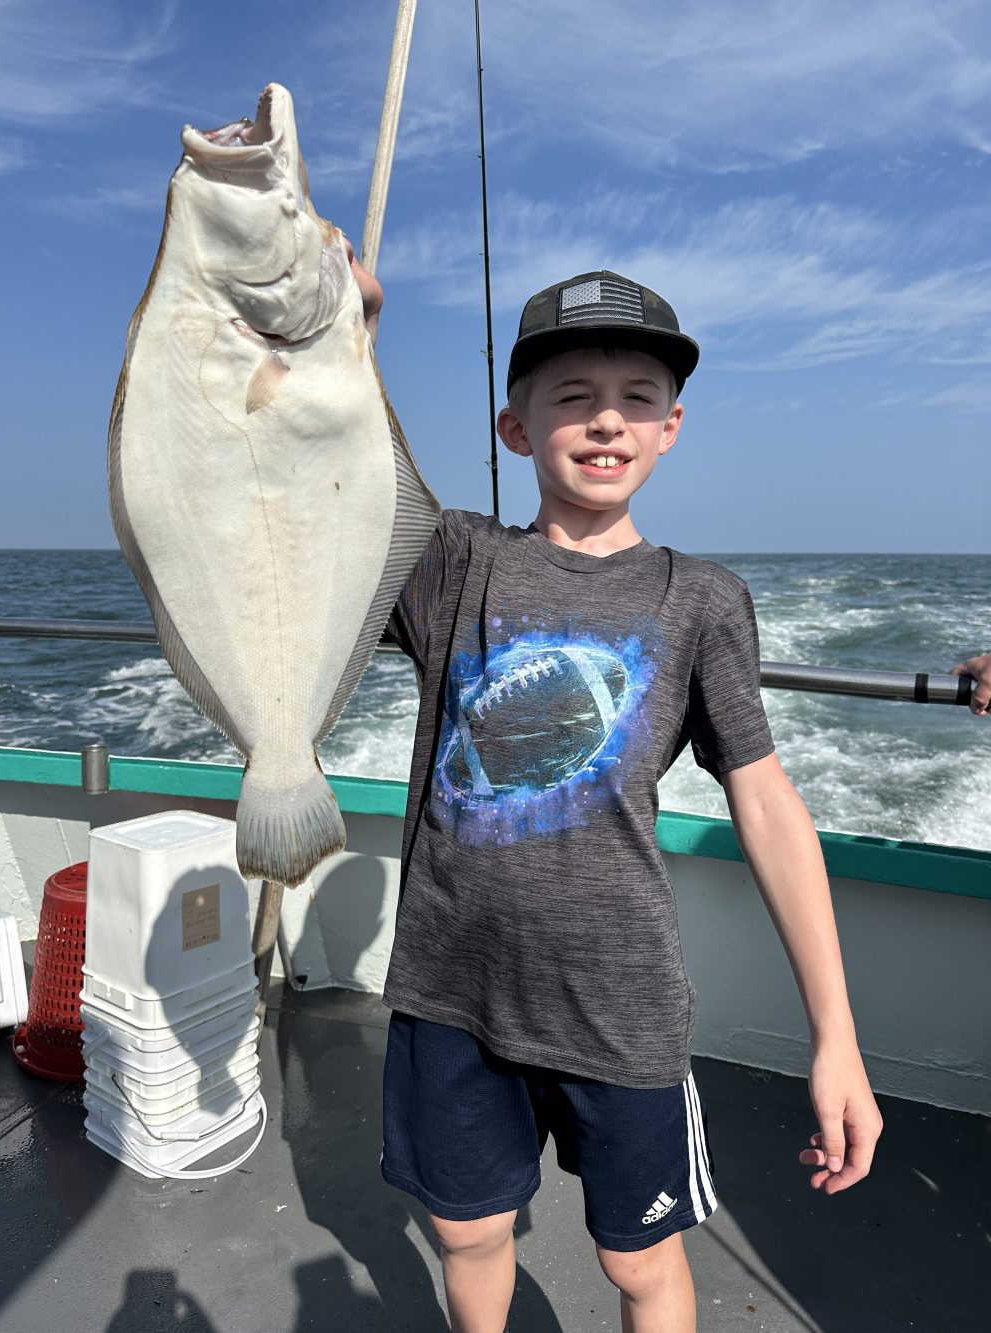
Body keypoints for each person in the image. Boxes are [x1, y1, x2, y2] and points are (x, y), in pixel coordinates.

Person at [352, 252, 883, 1333]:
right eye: (572, 398)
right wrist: (348, 333)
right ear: (515, 427)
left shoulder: (703, 600)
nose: (606, 423)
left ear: (671, 426)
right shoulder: (452, 563)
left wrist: (836, 1035)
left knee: (638, 1260)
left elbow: (768, 804)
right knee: (468, 1232)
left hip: (620, 1007)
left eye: (637, 399)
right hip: (449, 992)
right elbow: (349, 474)